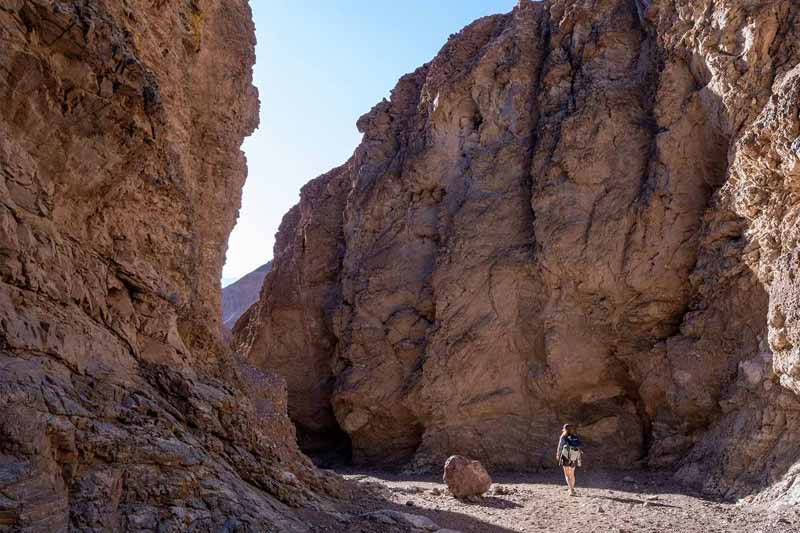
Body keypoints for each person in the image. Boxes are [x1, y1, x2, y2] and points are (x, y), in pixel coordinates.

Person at [556, 423, 583, 496]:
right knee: (572, 474)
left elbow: (560, 447)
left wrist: (558, 454)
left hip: (565, 456)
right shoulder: (575, 437)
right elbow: (579, 447)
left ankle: (571, 490)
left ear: (564, 429)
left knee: (567, 474)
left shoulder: (563, 437)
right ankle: (572, 488)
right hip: (574, 457)